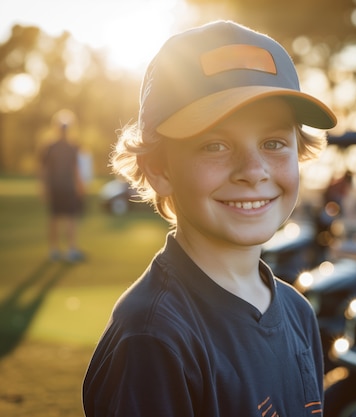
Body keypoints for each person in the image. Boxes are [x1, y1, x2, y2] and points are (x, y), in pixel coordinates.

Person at [82, 20, 337, 417]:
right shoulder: (153, 338)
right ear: (159, 169)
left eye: (274, 143)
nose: (253, 171)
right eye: (215, 145)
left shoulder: (297, 313)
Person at [39, 115, 86, 262]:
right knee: (59, 218)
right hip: (60, 187)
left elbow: (75, 168)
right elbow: (45, 169)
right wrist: (44, 187)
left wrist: (79, 184)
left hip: (64, 187)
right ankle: (61, 249)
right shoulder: (55, 147)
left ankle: (63, 250)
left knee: (63, 218)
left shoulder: (67, 147)